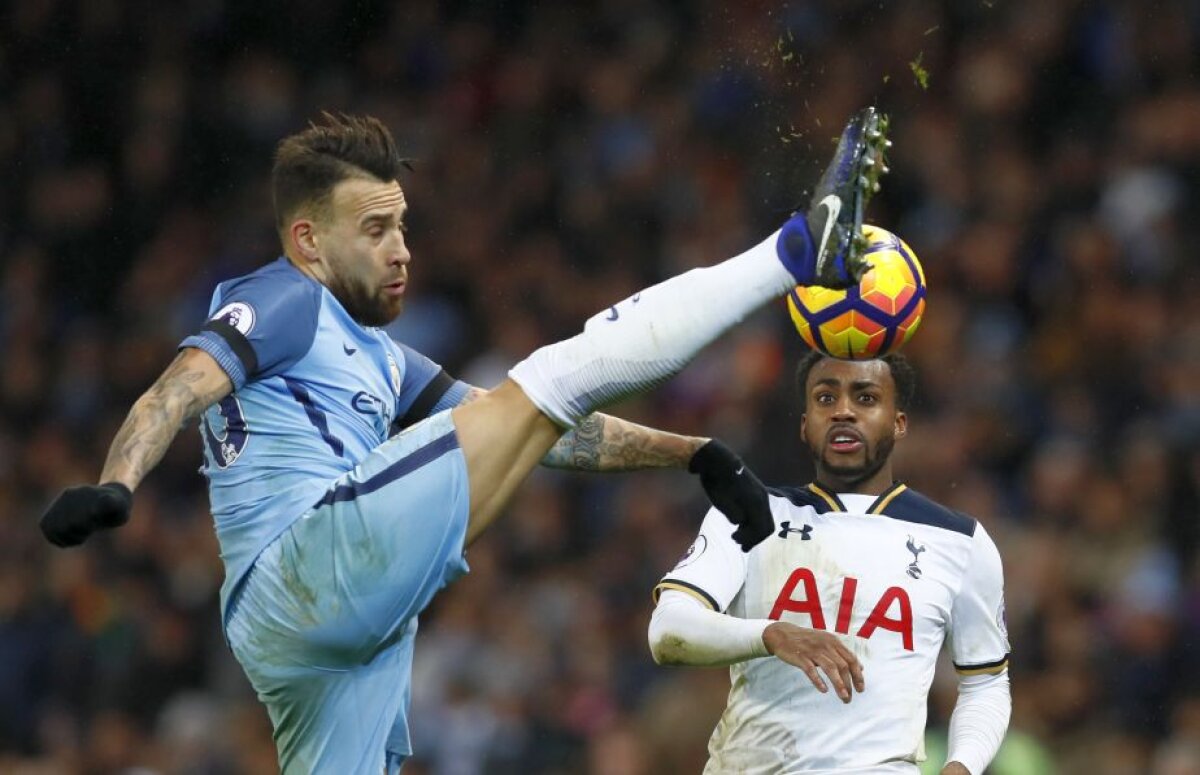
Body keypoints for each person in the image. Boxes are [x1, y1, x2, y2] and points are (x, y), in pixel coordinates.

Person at [39, 108, 889, 773]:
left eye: (402, 225)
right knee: (552, 373)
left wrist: (691, 452)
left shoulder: (374, 352)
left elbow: (546, 435)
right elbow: (175, 391)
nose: (402, 251)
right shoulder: (285, 301)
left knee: (535, 399)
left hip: (308, 637)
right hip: (310, 561)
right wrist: (118, 484)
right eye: (374, 230)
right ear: (308, 241)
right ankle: (794, 252)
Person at [648, 352, 1011, 775]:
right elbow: (667, 630)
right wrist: (771, 635)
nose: (843, 411)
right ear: (805, 425)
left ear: (899, 422)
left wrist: (962, 766)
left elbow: (985, 681)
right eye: (825, 398)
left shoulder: (960, 541)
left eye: (866, 398)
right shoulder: (749, 511)